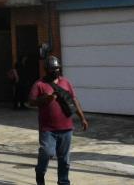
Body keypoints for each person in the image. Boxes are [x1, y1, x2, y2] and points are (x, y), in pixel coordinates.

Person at [29, 55, 88, 185]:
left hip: (66, 128)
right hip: (48, 129)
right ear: (46, 69)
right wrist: (45, 99)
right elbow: (31, 102)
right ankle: (40, 172)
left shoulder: (66, 82)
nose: (55, 71)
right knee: (47, 152)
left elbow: (73, 100)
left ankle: (63, 182)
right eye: (52, 69)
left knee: (64, 160)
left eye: (56, 68)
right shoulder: (39, 84)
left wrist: (82, 118)